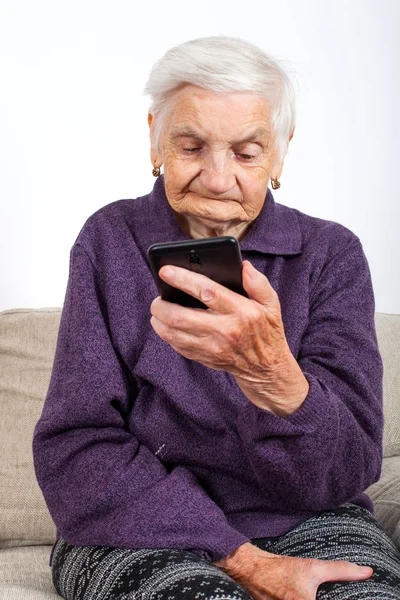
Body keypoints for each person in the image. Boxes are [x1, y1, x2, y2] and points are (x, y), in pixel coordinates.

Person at [32, 36, 400, 600]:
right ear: (155, 141)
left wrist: (275, 376)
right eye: (190, 146)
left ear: (279, 152)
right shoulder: (109, 239)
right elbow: (77, 446)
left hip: (307, 520)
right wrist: (238, 557)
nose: (217, 177)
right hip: (137, 525)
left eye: (247, 152)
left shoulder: (331, 254)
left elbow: (349, 468)